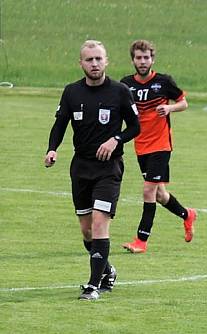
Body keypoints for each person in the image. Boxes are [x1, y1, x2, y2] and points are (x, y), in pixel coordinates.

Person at [45, 40, 140, 301]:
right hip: (81, 167)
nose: (95, 64)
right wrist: (52, 149)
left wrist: (116, 140)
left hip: (109, 168)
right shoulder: (71, 92)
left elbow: (135, 127)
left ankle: (93, 285)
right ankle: (107, 270)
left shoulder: (120, 91)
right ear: (81, 63)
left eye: (99, 59)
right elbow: (60, 124)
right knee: (87, 231)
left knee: (100, 223)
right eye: (90, 60)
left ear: (106, 61)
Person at [120, 39, 196, 254]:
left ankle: (141, 240)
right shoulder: (126, 84)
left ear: (152, 59)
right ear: (133, 60)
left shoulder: (163, 82)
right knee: (161, 195)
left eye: (146, 57)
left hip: (161, 145)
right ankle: (187, 214)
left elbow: (183, 102)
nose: (143, 61)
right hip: (140, 145)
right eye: (138, 58)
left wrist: (169, 108)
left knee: (148, 191)